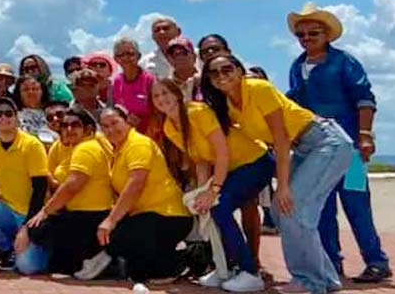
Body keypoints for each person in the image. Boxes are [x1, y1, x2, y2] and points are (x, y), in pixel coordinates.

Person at [202, 52, 353, 294]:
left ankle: (309, 281)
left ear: (240, 70)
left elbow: (281, 138)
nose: (221, 76)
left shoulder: (258, 88)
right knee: (281, 211)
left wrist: (282, 186)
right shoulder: (229, 106)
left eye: (227, 69)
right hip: (303, 148)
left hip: (326, 141)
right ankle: (325, 279)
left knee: (292, 209)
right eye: (214, 73)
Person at [285, 3, 390, 284]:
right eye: (302, 35)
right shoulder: (297, 66)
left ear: (327, 34)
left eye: (313, 33)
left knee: (357, 203)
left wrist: (365, 135)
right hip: (317, 151)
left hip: (351, 148)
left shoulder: (345, 62)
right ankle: (331, 261)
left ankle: (377, 261)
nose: (307, 39)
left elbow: (364, 98)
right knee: (322, 207)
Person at [152, 78, 272, 292]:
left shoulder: (198, 111)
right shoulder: (169, 128)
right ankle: (224, 269)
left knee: (220, 207)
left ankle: (250, 272)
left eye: (165, 93)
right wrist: (201, 193)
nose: (162, 99)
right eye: (156, 96)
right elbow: (200, 160)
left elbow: (221, 151)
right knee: (212, 210)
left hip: (256, 161)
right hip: (231, 170)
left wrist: (213, 190)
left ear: (177, 94)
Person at [73, 106, 192, 285]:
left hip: (168, 216)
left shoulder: (138, 144)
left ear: (127, 121)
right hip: (142, 216)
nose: (111, 129)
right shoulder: (118, 149)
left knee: (119, 242)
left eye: (115, 123)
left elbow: (135, 184)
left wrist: (111, 221)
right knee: (132, 264)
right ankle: (155, 258)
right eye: (105, 126)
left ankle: (190, 257)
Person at [23, 108, 112, 275]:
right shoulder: (75, 147)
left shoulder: (86, 149)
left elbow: (72, 186)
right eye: (64, 126)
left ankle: (102, 259)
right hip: (78, 215)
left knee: (38, 228)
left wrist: (45, 211)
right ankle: (89, 259)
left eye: (75, 125)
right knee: (59, 265)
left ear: (87, 129)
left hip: (89, 217)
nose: (69, 129)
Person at [0, 97, 49, 274]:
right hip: (8, 210)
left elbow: (40, 188)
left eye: (8, 113)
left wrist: (26, 228)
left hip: (34, 215)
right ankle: (8, 250)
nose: (3, 117)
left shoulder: (32, 145)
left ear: (16, 117)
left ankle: (43, 251)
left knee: (27, 267)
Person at [110, 38, 156, 133]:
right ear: (116, 59)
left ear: (138, 56)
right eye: (121, 55)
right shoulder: (116, 82)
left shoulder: (150, 80)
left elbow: (158, 113)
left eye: (130, 54)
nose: (126, 58)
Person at [15, 74, 55, 144]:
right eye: (25, 89)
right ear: (19, 93)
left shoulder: (54, 114)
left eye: (35, 89)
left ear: (43, 91)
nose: (31, 92)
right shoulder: (13, 116)